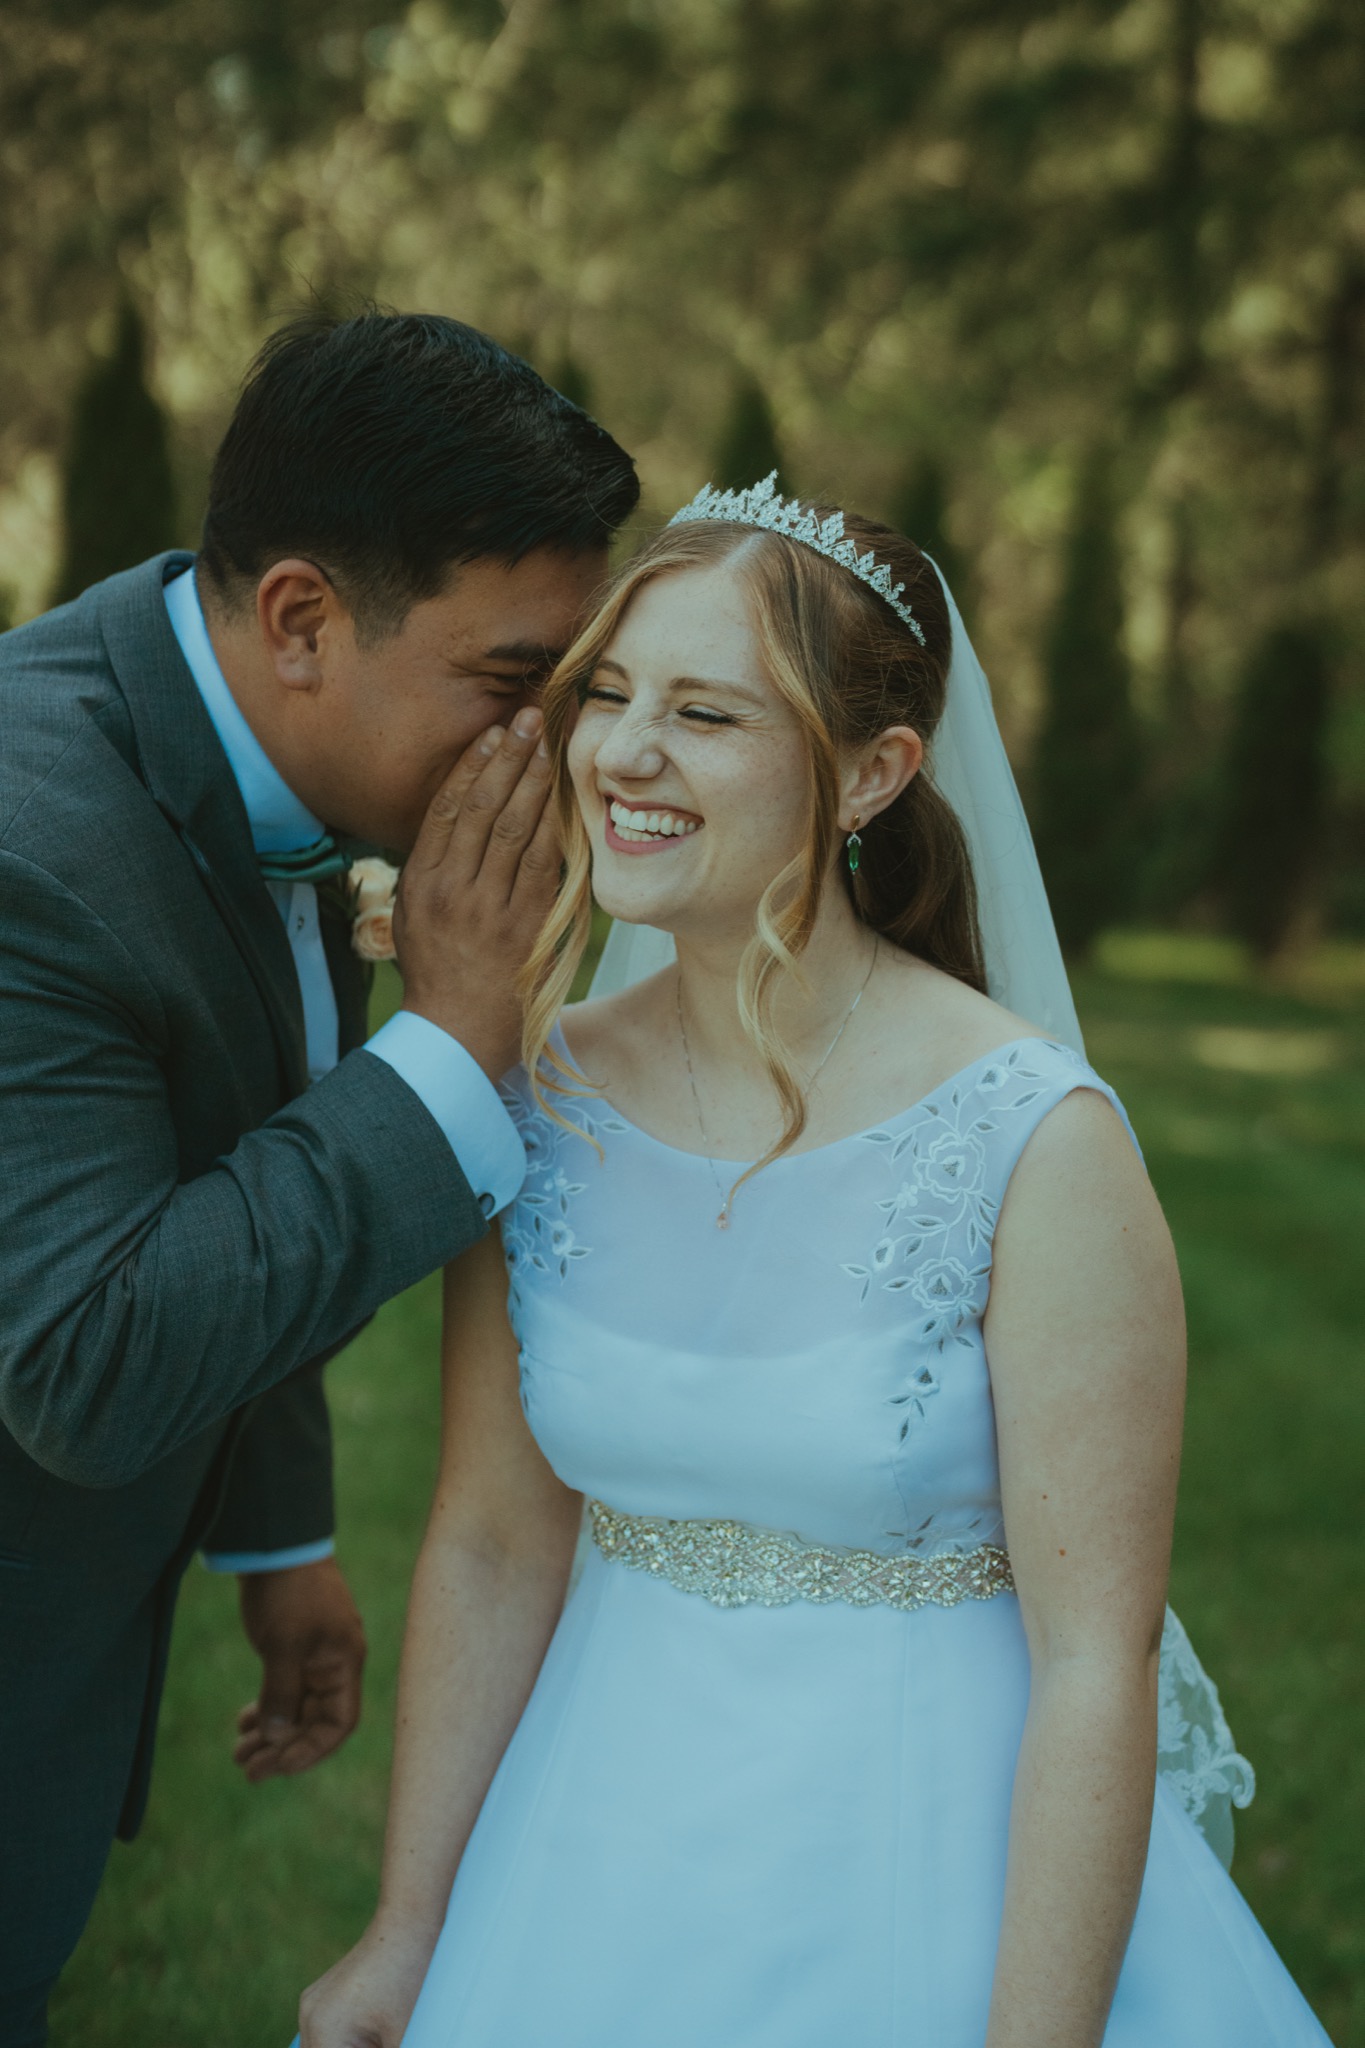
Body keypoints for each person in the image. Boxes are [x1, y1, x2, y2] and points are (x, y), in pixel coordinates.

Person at [299, 479, 1330, 2047]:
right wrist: (407, 1931)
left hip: (926, 1871)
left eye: (707, 713)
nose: (624, 754)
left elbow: (1092, 1664)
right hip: (594, 1855)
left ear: (869, 772)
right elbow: (496, 1546)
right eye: (612, 694)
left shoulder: (1030, 1139)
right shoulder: (544, 1090)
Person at [0, 308, 639, 2048]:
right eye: (515, 686)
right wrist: (450, 1038)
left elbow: (222, 1145)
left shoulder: (287, 758)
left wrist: (275, 1534)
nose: (558, 757)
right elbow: (88, 1354)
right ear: (300, 620)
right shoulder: (24, 842)